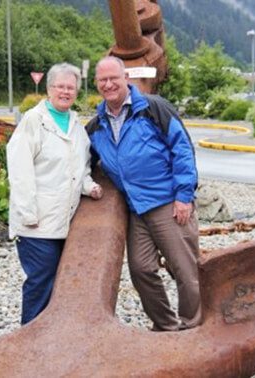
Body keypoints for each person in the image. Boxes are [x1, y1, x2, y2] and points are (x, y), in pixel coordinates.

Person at [86, 56, 201, 331]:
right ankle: (165, 326)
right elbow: (82, 164)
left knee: (186, 270)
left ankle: (193, 327)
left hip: (168, 203)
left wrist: (184, 196)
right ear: (97, 85)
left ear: (126, 78)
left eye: (114, 78)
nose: (109, 84)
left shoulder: (153, 108)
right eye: (103, 80)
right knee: (141, 269)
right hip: (136, 209)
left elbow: (182, 149)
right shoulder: (96, 126)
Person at [7, 62, 103, 325]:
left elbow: (80, 168)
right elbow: (19, 170)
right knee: (41, 281)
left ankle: (51, 337)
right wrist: (28, 214)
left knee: (59, 282)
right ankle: (29, 337)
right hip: (37, 222)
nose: (65, 91)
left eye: (70, 87)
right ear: (48, 89)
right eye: (60, 86)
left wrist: (89, 186)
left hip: (64, 222)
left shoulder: (76, 124)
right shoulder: (33, 122)